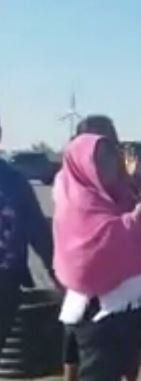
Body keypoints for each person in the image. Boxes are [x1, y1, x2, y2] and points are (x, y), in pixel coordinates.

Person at [53, 120, 141, 381]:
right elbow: (112, 237)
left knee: (124, 366)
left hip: (132, 303)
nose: (110, 162)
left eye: (112, 151)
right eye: (100, 157)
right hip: (99, 311)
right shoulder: (75, 195)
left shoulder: (121, 190)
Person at [0, 120, 55, 354]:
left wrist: (59, 275)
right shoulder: (15, 180)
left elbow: (38, 233)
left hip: (6, 280)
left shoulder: (15, 181)